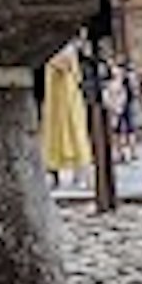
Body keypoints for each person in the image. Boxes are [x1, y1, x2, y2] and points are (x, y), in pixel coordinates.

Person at [39, 39, 93, 191]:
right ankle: (54, 175)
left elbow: (64, 64)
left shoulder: (67, 49)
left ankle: (82, 175)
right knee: (52, 138)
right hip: (53, 101)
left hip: (69, 99)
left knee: (75, 136)